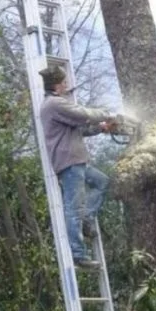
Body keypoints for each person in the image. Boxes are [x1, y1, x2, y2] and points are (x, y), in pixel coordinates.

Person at [39, 65, 112, 269]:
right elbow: (82, 115)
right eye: (63, 82)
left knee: (102, 182)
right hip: (69, 161)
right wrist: (107, 114)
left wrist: (101, 128)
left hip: (76, 160)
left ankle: (87, 218)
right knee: (74, 207)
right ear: (56, 85)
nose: (66, 85)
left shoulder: (56, 105)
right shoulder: (54, 104)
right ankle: (79, 255)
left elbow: (79, 129)